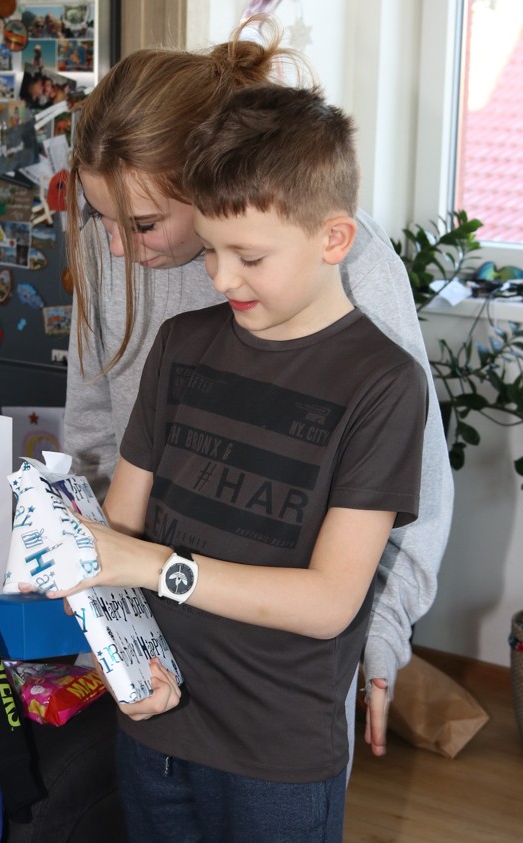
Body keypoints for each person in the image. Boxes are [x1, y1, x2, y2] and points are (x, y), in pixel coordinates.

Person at [54, 82, 427, 843]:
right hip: (155, 725)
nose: (220, 278)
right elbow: (114, 534)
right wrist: (118, 655)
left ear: (334, 239)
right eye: (213, 250)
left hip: (275, 754)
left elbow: (328, 603)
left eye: (247, 257)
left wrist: (154, 567)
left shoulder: (382, 385)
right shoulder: (182, 345)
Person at [63, 18, 453, 760]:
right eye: (98, 217)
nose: (116, 247)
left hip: (281, 674)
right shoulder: (105, 248)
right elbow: (91, 439)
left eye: (142, 223)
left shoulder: (348, 261)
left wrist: (383, 627)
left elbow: (415, 479)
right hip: (154, 643)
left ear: (207, 183)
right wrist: (106, 616)